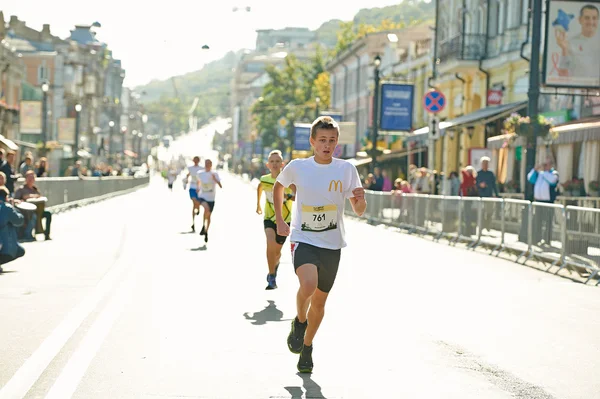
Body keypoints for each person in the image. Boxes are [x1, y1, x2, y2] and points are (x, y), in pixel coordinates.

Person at [273, 116, 367, 373]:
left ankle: (307, 347)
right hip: (304, 237)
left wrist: (360, 200)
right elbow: (278, 187)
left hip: (332, 243)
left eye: (332, 141)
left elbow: (358, 209)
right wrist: (281, 219)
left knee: (321, 303)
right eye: (322, 140)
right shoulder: (298, 166)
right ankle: (299, 320)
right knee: (308, 284)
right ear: (312, 141)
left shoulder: (346, 169)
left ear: (337, 143)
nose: (327, 145)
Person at [256, 150, 296, 290]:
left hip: (285, 220)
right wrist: (258, 205)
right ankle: (272, 275)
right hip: (269, 217)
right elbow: (260, 188)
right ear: (268, 164)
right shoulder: (264, 179)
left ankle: (275, 264)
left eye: (277, 161)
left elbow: (298, 195)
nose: (274, 164)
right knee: (270, 243)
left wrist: (288, 197)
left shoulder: (288, 181)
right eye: (272, 161)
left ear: (282, 164)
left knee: (277, 251)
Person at [14, 171, 52, 241]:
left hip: (38, 210)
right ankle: (28, 235)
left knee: (48, 214)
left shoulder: (35, 189)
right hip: (26, 212)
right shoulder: (21, 189)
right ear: (26, 179)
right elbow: (16, 200)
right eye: (29, 178)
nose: (31, 180)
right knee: (33, 216)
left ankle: (47, 234)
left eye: (32, 178)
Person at [0, 186, 25, 273]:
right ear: (6, 197)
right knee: (20, 251)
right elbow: (19, 221)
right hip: (4, 247)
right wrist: (13, 207)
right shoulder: (7, 207)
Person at [195, 159, 222, 243]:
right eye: (206, 163)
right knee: (206, 209)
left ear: (211, 165)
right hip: (203, 195)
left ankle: (206, 230)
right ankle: (203, 225)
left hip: (211, 197)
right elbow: (198, 182)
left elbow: (220, 186)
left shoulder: (214, 174)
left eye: (209, 164)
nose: (207, 165)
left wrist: (215, 179)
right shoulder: (200, 173)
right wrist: (198, 188)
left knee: (208, 215)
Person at [183, 156, 204, 232]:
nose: (195, 161)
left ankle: (194, 219)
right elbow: (188, 175)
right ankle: (193, 221)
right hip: (192, 187)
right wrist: (185, 181)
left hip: (199, 188)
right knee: (194, 202)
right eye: (194, 160)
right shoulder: (190, 168)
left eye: (197, 160)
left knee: (195, 205)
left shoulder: (201, 168)